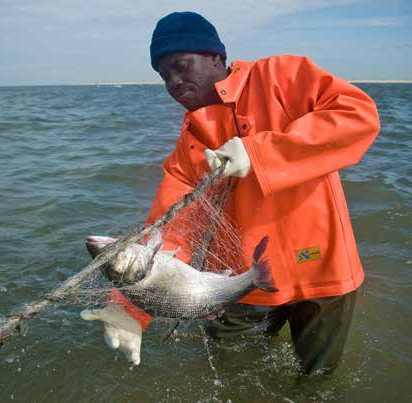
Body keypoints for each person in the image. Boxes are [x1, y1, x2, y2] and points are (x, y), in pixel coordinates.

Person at [81, 11, 380, 374]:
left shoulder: (280, 76)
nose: (173, 82)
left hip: (322, 272)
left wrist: (260, 153)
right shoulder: (187, 149)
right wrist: (127, 309)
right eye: (163, 76)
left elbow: (358, 114)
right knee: (232, 378)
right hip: (241, 284)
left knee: (316, 380)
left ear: (216, 58)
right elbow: (169, 233)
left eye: (180, 65)